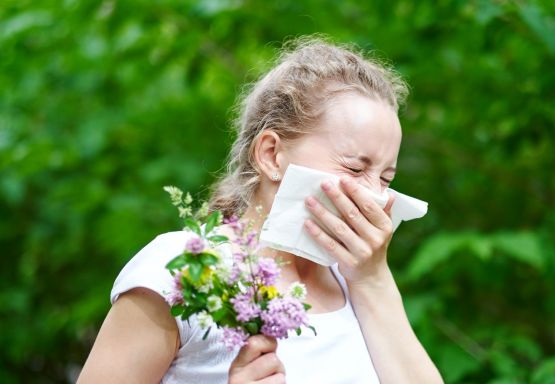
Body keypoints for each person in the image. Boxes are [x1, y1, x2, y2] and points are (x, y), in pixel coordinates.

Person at [78, 37, 444, 384]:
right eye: (353, 168)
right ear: (271, 154)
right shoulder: (186, 269)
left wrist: (372, 278)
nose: (372, 195)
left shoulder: (355, 281)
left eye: (385, 178)